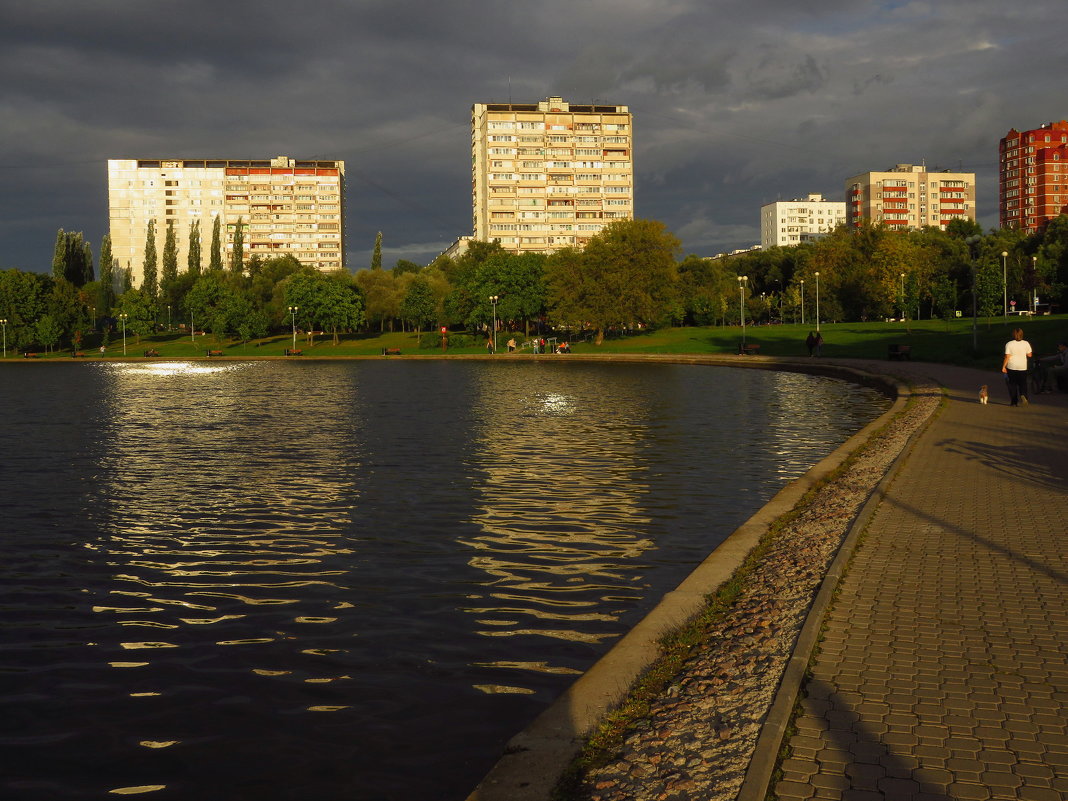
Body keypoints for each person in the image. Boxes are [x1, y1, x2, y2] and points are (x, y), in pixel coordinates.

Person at [1001, 327, 1033, 406]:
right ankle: (1023, 395)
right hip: (1022, 367)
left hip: (1012, 367)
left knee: (1012, 384)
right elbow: (1030, 355)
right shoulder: (1026, 343)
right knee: (1023, 383)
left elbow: (1007, 356)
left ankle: (1014, 401)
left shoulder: (1009, 344)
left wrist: (1003, 366)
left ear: (1013, 334)